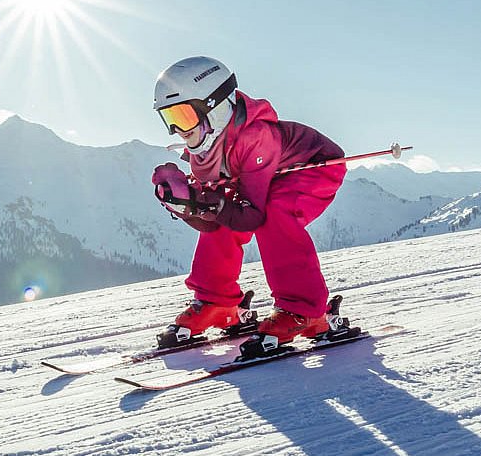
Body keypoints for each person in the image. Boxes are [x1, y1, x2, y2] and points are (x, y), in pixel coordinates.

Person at [148, 56, 351, 355]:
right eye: (169, 118)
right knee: (226, 217)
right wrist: (186, 205)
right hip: (261, 175)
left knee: (275, 215)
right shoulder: (203, 150)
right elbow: (215, 220)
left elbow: (252, 216)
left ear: (215, 106)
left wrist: (208, 203)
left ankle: (305, 310)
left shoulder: (255, 136)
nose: (178, 129)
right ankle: (218, 302)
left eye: (184, 115)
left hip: (311, 168)